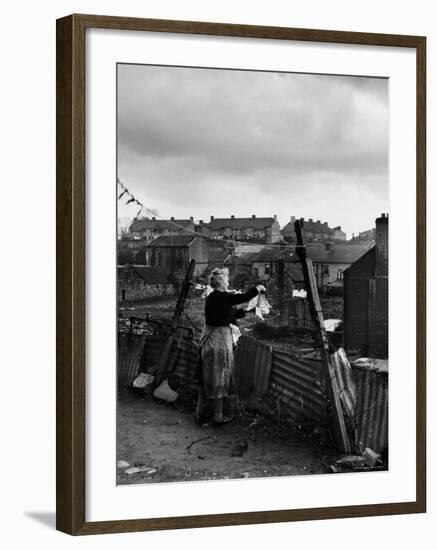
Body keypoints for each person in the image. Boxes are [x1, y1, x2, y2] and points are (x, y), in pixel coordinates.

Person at [195, 268, 266, 426]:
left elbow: (228, 314)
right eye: (226, 279)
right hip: (219, 343)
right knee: (221, 378)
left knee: (205, 379)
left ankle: (199, 414)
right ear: (221, 282)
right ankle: (218, 417)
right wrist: (258, 288)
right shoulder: (222, 296)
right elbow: (244, 297)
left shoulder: (214, 297)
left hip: (209, 341)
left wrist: (250, 310)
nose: (228, 282)